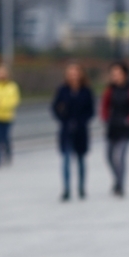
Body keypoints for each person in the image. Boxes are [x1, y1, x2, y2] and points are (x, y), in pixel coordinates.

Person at [51, 63, 95, 201]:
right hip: (66, 129)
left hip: (81, 130)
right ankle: (66, 189)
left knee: (81, 160)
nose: (73, 75)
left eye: (76, 72)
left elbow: (91, 111)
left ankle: (81, 187)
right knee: (65, 159)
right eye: (70, 72)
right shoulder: (62, 90)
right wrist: (62, 118)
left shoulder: (86, 90)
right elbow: (54, 107)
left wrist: (82, 121)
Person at [100, 62, 129, 197]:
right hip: (112, 127)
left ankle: (120, 184)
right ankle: (117, 179)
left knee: (120, 157)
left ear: (125, 75)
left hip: (125, 128)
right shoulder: (109, 90)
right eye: (113, 74)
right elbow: (104, 107)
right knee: (109, 157)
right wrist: (106, 118)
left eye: (118, 73)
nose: (115, 77)